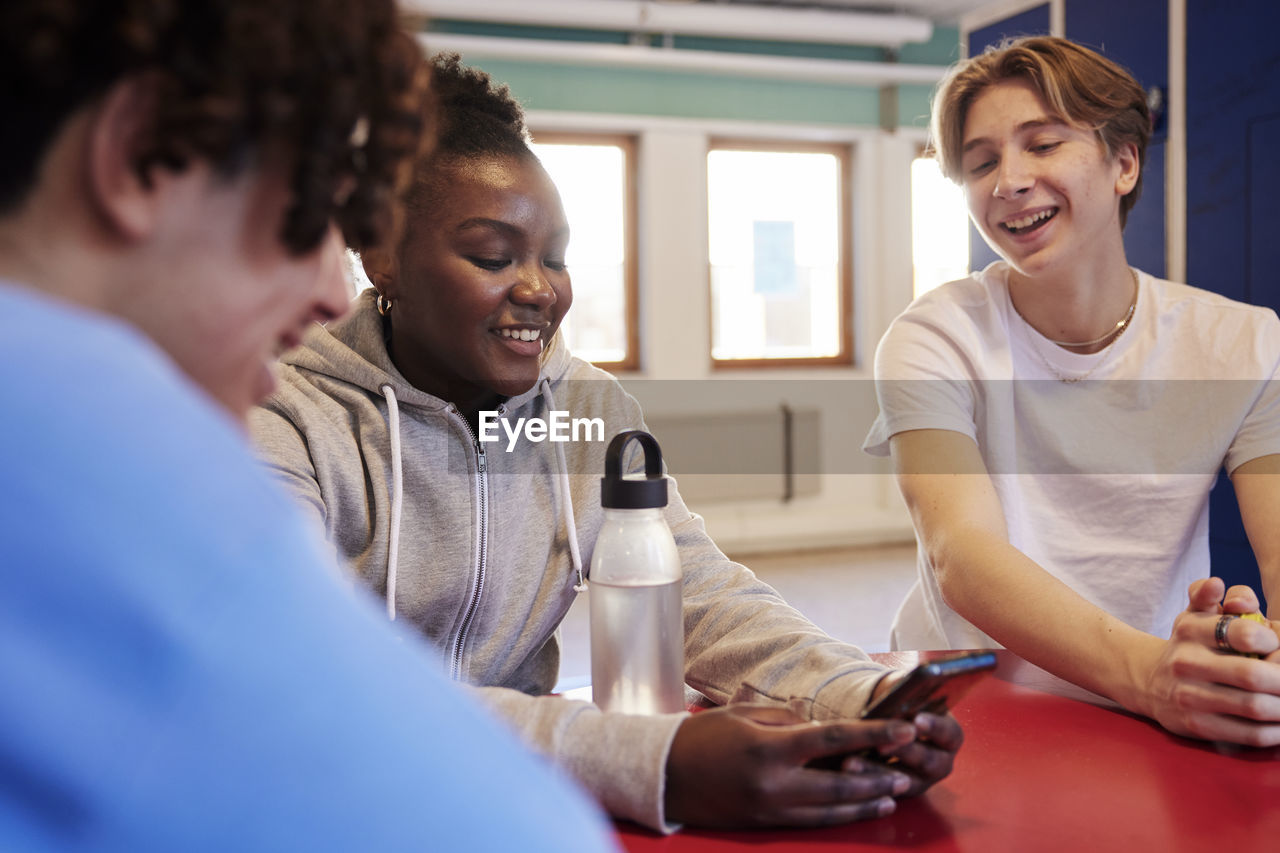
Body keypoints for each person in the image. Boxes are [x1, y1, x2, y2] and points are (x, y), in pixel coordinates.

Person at [250, 53, 964, 833]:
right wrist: (644, 760)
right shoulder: (282, 413)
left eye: (553, 256)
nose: (538, 287)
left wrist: (857, 699)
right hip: (330, 803)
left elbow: (696, 593)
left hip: (518, 805)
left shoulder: (590, 407)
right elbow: (310, 676)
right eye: (494, 256)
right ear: (381, 253)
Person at [0, 2, 620, 850]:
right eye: (305, 206)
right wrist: (649, 760)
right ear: (140, 155)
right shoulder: (98, 449)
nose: (335, 290)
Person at [863, 35, 1280, 746]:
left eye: (1043, 144)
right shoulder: (932, 337)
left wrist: (1260, 669)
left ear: (1124, 162)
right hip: (970, 701)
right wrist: (1150, 674)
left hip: (1148, 706)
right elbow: (958, 552)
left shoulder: (1241, 343)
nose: (1008, 181)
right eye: (982, 162)